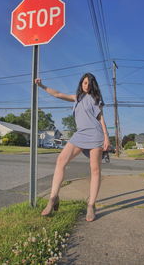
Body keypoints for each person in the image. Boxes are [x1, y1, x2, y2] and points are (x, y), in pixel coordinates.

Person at [35, 72, 110, 221]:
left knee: (95, 170)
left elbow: (101, 118)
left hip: (95, 135)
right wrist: (41, 85)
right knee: (61, 160)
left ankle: (91, 205)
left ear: (92, 84)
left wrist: (106, 136)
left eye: (89, 83)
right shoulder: (76, 98)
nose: (86, 85)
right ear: (81, 84)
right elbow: (57, 94)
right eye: (84, 82)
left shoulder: (96, 99)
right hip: (80, 134)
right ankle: (53, 198)